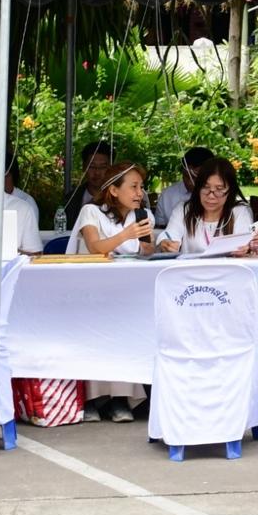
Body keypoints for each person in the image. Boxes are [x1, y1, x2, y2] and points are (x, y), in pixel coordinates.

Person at [68, 162, 154, 422]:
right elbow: (95, 247)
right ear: (114, 190)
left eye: (141, 187)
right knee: (92, 334)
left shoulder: (143, 215)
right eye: (133, 187)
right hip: (87, 290)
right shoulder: (91, 212)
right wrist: (126, 235)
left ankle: (120, 399)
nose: (139, 193)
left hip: (123, 289)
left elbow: (148, 250)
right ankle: (90, 400)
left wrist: (149, 245)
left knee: (125, 330)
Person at [158, 157, 253, 254]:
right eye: (205, 187)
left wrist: (245, 248)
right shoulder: (184, 210)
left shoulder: (239, 212)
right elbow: (170, 234)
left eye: (219, 189)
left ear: (230, 190)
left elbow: (244, 242)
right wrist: (166, 243)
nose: (211, 196)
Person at [154, 146, 215, 227]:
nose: (189, 182)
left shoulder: (218, 197)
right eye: (186, 176)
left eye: (195, 177)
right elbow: (159, 228)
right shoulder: (167, 195)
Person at [61, 140, 115, 226]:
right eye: (92, 166)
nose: (97, 172)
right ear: (84, 167)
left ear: (111, 168)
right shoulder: (71, 200)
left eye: (102, 167)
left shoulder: (120, 198)